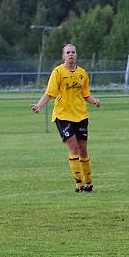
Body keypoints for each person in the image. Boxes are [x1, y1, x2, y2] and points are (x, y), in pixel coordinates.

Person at [30, 44, 101, 193]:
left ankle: (89, 184)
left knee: (83, 149)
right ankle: (79, 185)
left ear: (76, 55)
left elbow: (86, 94)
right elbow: (49, 93)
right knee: (73, 147)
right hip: (63, 115)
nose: (71, 55)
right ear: (63, 55)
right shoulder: (58, 72)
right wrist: (39, 105)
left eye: (73, 52)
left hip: (81, 114)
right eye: (68, 52)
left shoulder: (83, 73)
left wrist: (94, 101)